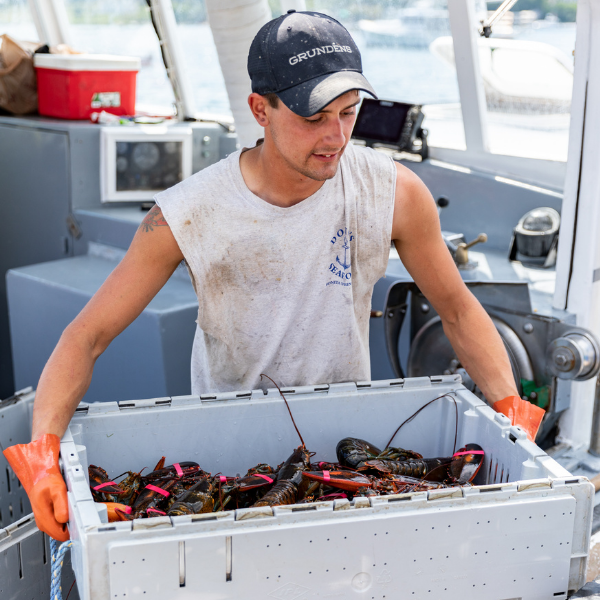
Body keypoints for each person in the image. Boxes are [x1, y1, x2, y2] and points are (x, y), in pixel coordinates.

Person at [3, 10, 543, 542]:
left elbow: (457, 309)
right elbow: (86, 337)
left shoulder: (394, 193)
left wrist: (509, 405)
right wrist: (43, 455)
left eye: (348, 112)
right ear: (260, 109)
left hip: (343, 448)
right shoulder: (185, 213)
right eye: (314, 118)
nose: (335, 136)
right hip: (227, 452)